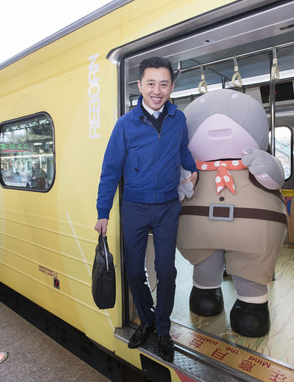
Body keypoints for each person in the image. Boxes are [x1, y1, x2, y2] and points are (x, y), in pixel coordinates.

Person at [94, 56, 198, 362]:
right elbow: (110, 170)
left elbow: (182, 149)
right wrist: (103, 212)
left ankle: (163, 328)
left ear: (171, 87)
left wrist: (192, 170)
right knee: (133, 271)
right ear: (140, 85)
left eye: (163, 84)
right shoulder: (125, 125)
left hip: (167, 206)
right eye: (150, 83)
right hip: (135, 207)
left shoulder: (178, 119)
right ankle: (147, 319)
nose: (157, 90)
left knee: (166, 271)